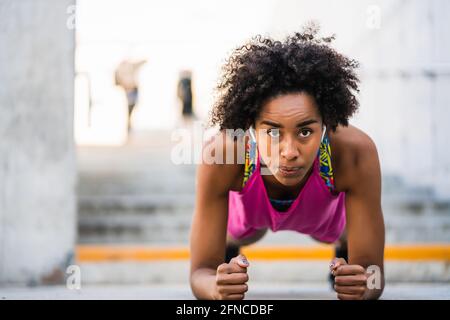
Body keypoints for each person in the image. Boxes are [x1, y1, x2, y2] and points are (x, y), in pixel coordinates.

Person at [189, 25, 385, 300]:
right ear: (250, 126)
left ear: (326, 122)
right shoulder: (223, 155)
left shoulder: (355, 152)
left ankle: (343, 252)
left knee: (339, 232)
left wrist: (364, 285)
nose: (290, 151)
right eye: (272, 132)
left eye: (305, 131)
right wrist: (215, 287)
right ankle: (230, 255)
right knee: (237, 235)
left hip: (324, 218)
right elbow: (200, 272)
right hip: (248, 218)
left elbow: (374, 274)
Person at [114, 59, 146, 133]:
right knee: (130, 106)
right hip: (129, 89)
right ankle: (128, 124)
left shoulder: (129, 67)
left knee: (132, 106)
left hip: (132, 88)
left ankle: (129, 123)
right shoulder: (122, 69)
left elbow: (139, 63)